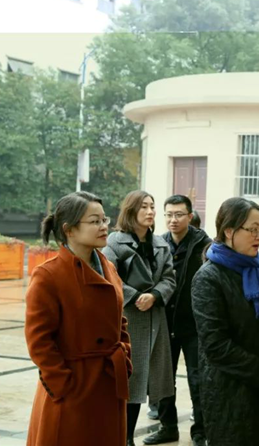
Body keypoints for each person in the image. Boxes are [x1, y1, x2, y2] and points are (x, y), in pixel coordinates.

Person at [25, 191, 132, 446]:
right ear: (69, 229)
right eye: (94, 221)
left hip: (108, 382)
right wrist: (63, 383)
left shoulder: (108, 267)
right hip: (72, 390)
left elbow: (119, 320)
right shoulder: (48, 275)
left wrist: (125, 355)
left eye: (104, 219)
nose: (104, 226)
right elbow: (39, 341)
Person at [192, 197, 259, 445]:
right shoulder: (208, 278)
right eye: (252, 229)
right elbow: (216, 345)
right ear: (229, 231)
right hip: (233, 395)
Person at [103, 190, 176, 446]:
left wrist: (155, 295)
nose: (150, 211)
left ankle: (130, 436)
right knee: (129, 381)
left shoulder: (160, 244)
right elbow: (108, 276)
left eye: (152, 206)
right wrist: (135, 297)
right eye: (143, 207)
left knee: (152, 380)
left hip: (155, 319)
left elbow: (170, 278)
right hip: (128, 319)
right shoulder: (115, 242)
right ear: (131, 210)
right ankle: (124, 438)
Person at [144, 195, 211, 446]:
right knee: (163, 378)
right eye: (169, 215)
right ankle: (168, 427)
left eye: (179, 214)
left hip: (194, 324)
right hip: (165, 322)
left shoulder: (205, 245)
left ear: (190, 216)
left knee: (198, 378)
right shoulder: (159, 244)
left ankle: (201, 432)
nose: (173, 220)